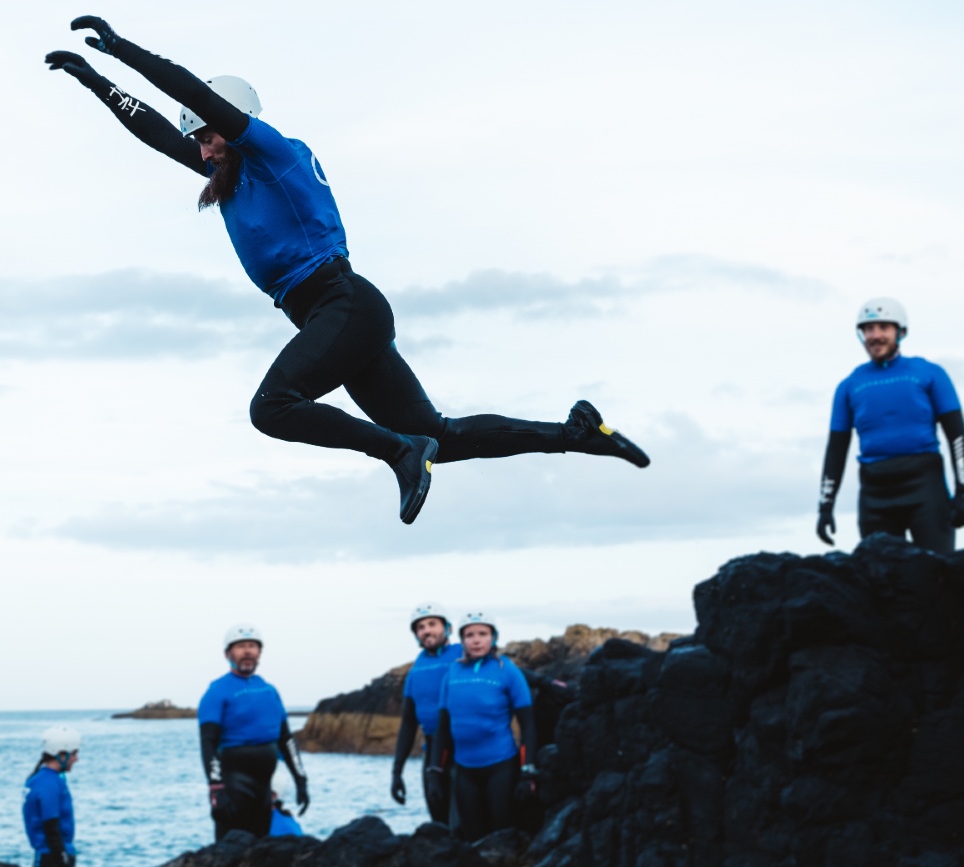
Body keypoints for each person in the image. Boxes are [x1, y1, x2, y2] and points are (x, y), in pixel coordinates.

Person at [44, 16, 650, 525]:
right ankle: (576, 434)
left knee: (272, 408)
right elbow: (155, 132)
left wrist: (122, 49)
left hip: (343, 303)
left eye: (207, 137)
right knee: (446, 437)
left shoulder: (275, 154)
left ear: (231, 121)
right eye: (197, 143)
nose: (201, 151)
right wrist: (96, 82)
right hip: (331, 316)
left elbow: (197, 96)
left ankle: (395, 450)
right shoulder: (228, 174)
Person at [817, 298, 964, 553]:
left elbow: (956, 436)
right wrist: (825, 506)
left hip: (926, 489)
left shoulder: (929, 374)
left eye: (883, 328)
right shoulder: (849, 386)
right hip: (875, 493)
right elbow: (836, 449)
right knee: (882, 582)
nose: (875, 335)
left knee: (939, 577)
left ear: (900, 332)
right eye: (869, 329)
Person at [428, 612, 540, 843]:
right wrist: (435, 773)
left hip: (501, 768)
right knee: (473, 840)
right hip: (464, 771)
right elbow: (443, 728)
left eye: (483, 634)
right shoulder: (452, 672)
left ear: (494, 638)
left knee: (502, 836)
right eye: (469, 635)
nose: (476, 640)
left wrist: (527, 771)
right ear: (462, 640)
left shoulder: (508, 671)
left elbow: (528, 725)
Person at [198, 624, 310, 840]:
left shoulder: (269, 690)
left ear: (260, 652)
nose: (247, 651)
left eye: (252, 646)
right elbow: (208, 744)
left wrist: (301, 780)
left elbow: (286, 741)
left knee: (260, 848)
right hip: (232, 785)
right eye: (240, 646)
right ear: (227, 654)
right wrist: (216, 788)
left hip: (264, 787)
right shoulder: (217, 691)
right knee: (230, 848)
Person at [389, 603, 459, 825]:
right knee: (438, 821)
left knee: (463, 820)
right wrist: (396, 773)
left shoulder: (463, 654)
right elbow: (409, 724)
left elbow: (502, 670)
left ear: (447, 628)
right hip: (431, 753)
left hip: (463, 749)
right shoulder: (415, 671)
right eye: (420, 627)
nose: (426, 630)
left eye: (432, 624)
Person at [21, 725, 90, 867]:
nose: (77, 759)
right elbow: (51, 828)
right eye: (73, 754)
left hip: (48, 860)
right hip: (52, 862)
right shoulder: (48, 784)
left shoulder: (39, 779)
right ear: (61, 754)